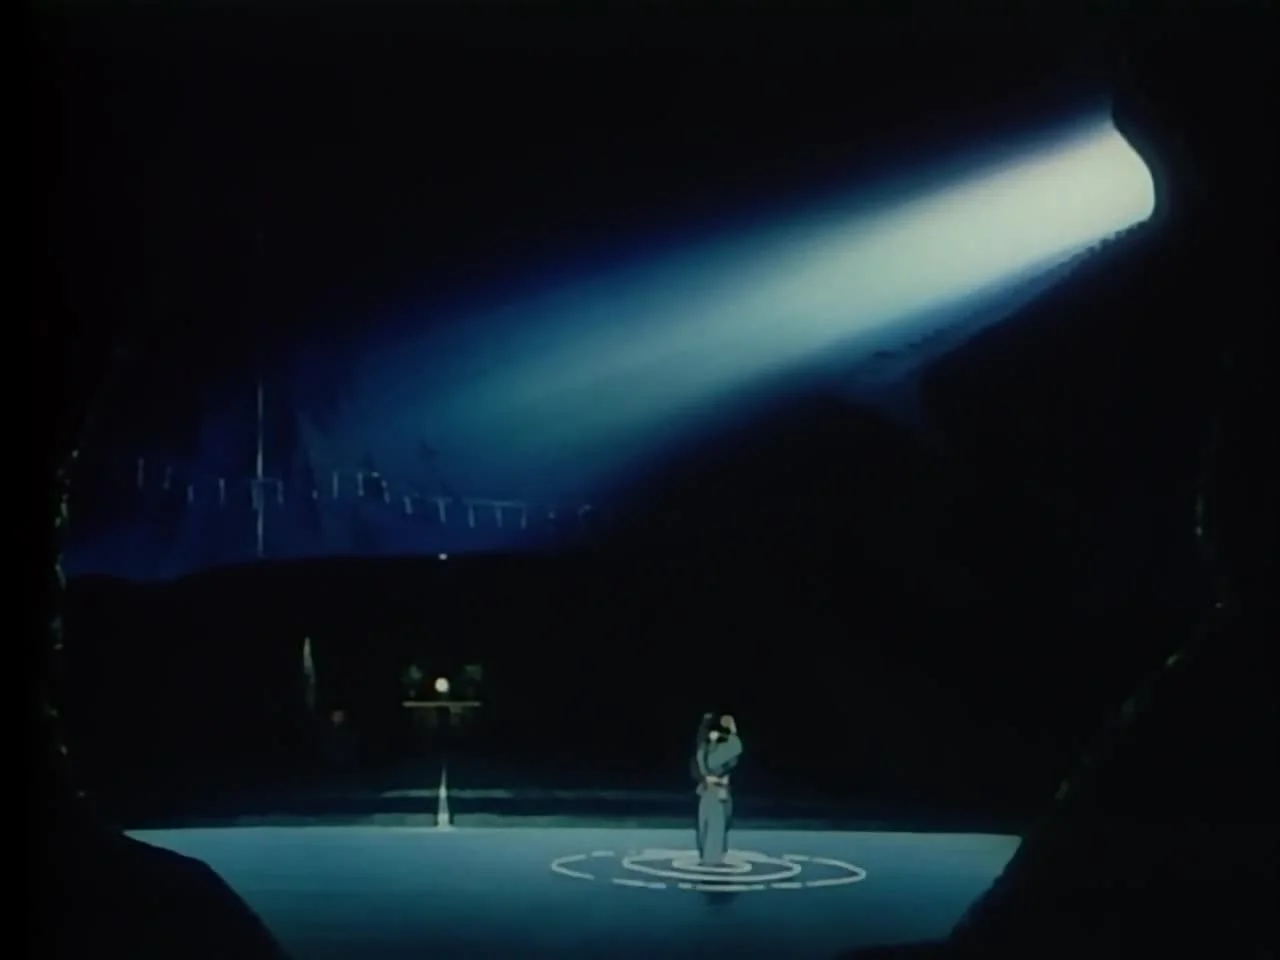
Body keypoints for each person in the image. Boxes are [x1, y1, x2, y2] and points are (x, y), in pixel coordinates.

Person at [692, 713, 743, 867]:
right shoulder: (712, 752)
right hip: (714, 793)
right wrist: (732, 731)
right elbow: (735, 747)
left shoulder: (705, 749)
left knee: (710, 828)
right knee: (713, 830)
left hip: (713, 792)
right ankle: (711, 861)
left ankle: (710, 857)